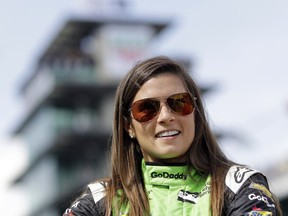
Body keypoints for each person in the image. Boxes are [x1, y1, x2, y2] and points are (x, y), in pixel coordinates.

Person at [63, 56, 282, 216]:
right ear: (128, 126)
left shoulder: (241, 185)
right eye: (147, 108)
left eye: (179, 102)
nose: (166, 116)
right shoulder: (100, 199)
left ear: (196, 112)